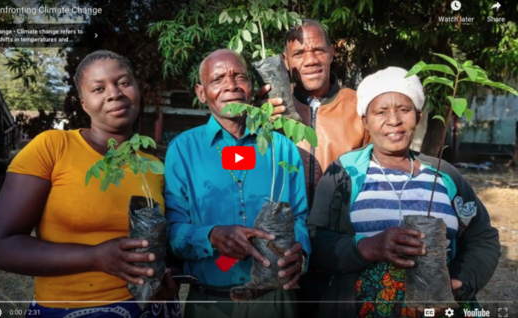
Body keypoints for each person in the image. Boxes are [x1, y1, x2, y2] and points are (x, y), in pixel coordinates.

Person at [0, 50, 181, 318]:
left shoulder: (152, 164)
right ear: (84, 103)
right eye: (98, 88)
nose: (114, 93)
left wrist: (163, 279)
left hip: (148, 308)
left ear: (137, 88)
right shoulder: (52, 147)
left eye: (123, 82)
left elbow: (158, 243)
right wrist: (95, 257)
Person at [308, 67, 501, 317]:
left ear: (418, 116)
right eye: (381, 112)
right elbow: (317, 239)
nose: (394, 121)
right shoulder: (343, 172)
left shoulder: (445, 175)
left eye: (404, 110)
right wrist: (367, 247)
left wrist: (460, 283)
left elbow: (482, 237)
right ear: (365, 120)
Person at [164, 49, 310, 318]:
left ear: (252, 87)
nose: (231, 85)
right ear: (200, 92)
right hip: (210, 304)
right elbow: (173, 231)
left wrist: (300, 257)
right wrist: (211, 236)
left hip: (274, 301)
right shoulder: (183, 150)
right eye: (218, 79)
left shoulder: (282, 149)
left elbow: (300, 218)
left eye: (239, 76)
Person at [259, 19, 370, 206]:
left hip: (344, 230)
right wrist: (251, 124)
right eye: (299, 53)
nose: (311, 61)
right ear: (285, 61)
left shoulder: (361, 107)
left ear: (332, 53)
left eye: (319, 50)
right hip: (286, 227)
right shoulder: (271, 109)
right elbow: (237, 167)